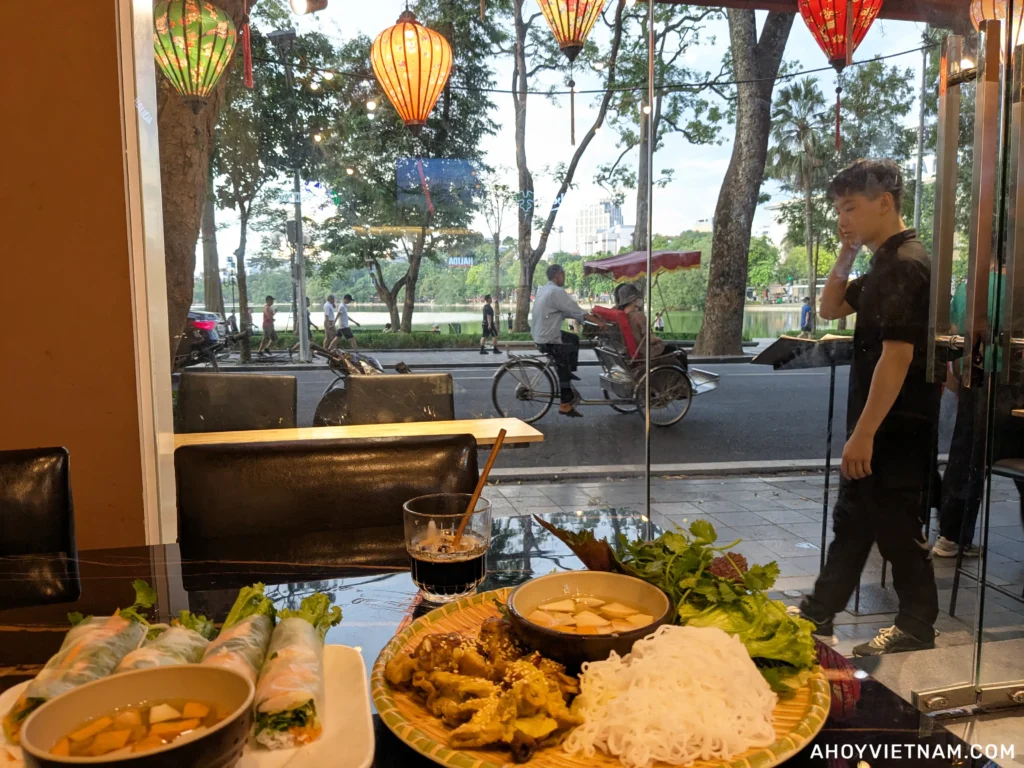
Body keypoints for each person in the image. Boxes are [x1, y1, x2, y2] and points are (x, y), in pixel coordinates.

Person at [798, 159, 940, 657]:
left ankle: (918, 624)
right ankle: (818, 610)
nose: (843, 218)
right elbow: (831, 308)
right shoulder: (885, 262)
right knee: (855, 518)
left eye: (851, 208)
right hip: (881, 422)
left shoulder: (906, 264)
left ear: (885, 202)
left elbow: (898, 356)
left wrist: (864, 433)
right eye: (838, 209)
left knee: (897, 525)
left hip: (896, 424)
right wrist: (845, 251)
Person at [531, 264, 605, 417]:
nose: (564, 278)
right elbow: (575, 309)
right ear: (557, 275)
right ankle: (565, 402)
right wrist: (598, 322)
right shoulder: (556, 292)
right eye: (563, 275)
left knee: (572, 338)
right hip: (549, 337)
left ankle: (568, 371)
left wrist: (587, 318)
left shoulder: (544, 290)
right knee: (562, 364)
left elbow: (567, 312)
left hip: (541, 334)